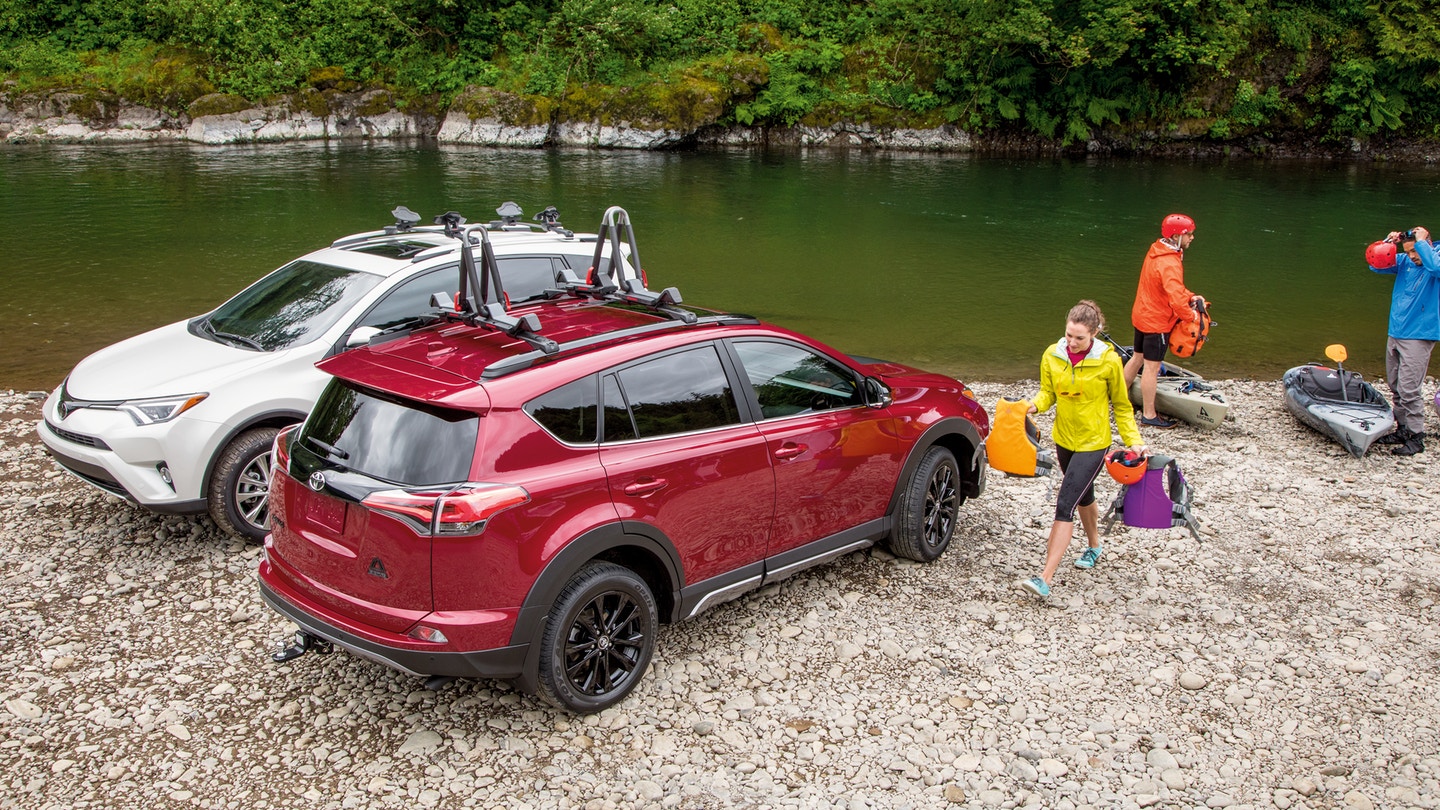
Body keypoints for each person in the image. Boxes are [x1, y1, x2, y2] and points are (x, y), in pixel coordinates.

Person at [1020, 300, 1145, 599]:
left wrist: (1133, 439)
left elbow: (1122, 405)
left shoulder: (1109, 361)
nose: (1073, 343)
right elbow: (1048, 393)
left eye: (1080, 338)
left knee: (1065, 504)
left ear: (1095, 333)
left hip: (1094, 443)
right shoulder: (1052, 355)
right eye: (1069, 336)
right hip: (1063, 439)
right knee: (1083, 495)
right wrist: (1034, 405)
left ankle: (1044, 578)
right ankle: (1094, 546)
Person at [1123, 214, 1206, 429]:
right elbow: (1176, 299)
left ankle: (1119, 401)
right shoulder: (1170, 262)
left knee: (1136, 358)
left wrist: (1191, 296)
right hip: (1156, 323)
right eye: (1189, 234)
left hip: (1142, 315)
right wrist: (1193, 316)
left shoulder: (1156, 250)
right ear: (1177, 236)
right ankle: (1149, 415)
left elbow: (1172, 289)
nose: (1192, 238)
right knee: (1152, 367)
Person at [1367, 227, 1440, 456]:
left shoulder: (1433, 259)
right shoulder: (1406, 261)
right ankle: (1403, 428)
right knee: (1396, 385)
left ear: (1426, 243)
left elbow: (1436, 267)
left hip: (1419, 335)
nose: (1412, 257)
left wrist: (1420, 244)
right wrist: (1389, 244)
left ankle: (1417, 438)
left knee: (1410, 388)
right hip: (1396, 331)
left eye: (1415, 251)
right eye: (1408, 252)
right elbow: (1376, 265)